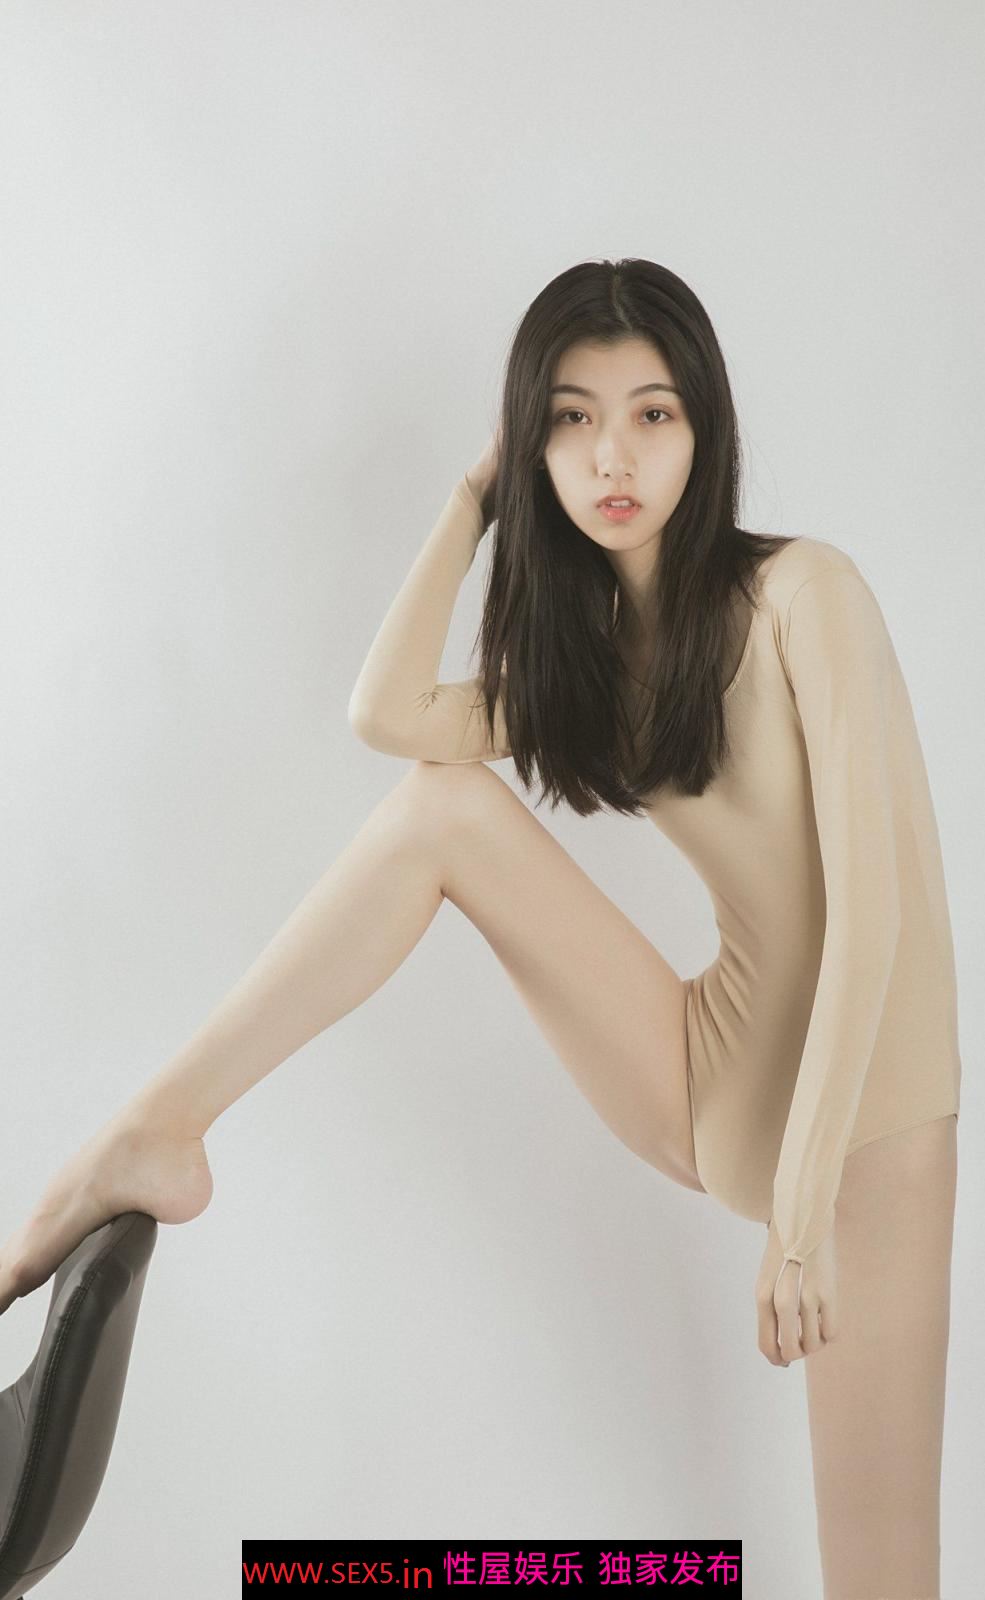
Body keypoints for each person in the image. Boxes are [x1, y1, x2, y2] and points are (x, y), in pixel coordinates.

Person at [0, 259, 960, 1597]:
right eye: (570, 419)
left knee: (882, 1578)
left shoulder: (810, 594)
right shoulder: (591, 670)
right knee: (439, 807)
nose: (611, 455)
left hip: (864, 1134)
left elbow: (875, 916)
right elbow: (386, 716)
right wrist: (470, 502)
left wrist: (799, 1218)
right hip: (721, 1078)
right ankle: (154, 1128)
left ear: (705, 429)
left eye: (652, 414)